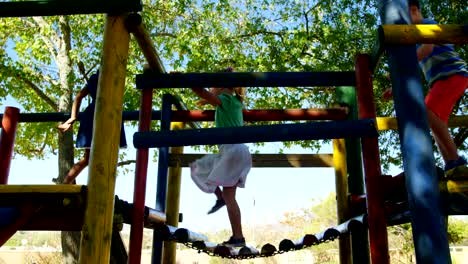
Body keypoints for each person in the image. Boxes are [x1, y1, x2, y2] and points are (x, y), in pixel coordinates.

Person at [383, 0, 468, 172]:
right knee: (435, 120)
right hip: (442, 80)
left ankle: (456, 159)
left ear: (414, 11)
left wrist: (400, 69)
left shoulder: (426, 25)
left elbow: (428, 49)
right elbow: (415, 68)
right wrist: (397, 85)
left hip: (453, 74)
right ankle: (450, 163)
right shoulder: (415, 41)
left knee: (426, 111)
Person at [189, 67, 252, 247]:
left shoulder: (225, 99)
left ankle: (220, 200)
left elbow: (199, 90)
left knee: (197, 169)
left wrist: (185, 80)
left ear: (222, 87)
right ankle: (237, 236)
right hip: (236, 151)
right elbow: (206, 95)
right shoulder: (235, 101)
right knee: (229, 196)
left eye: (214, 84)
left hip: (231, 150)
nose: (211, 88)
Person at [58, 69, 127, 184]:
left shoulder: (95, 78)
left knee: (88, 158)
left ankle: (65, 184)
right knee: (106, 156)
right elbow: (79, 97)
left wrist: (73, 117)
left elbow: (79, 96)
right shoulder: (114, 78)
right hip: (109, 115)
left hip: (95, 115)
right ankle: (67, 184)